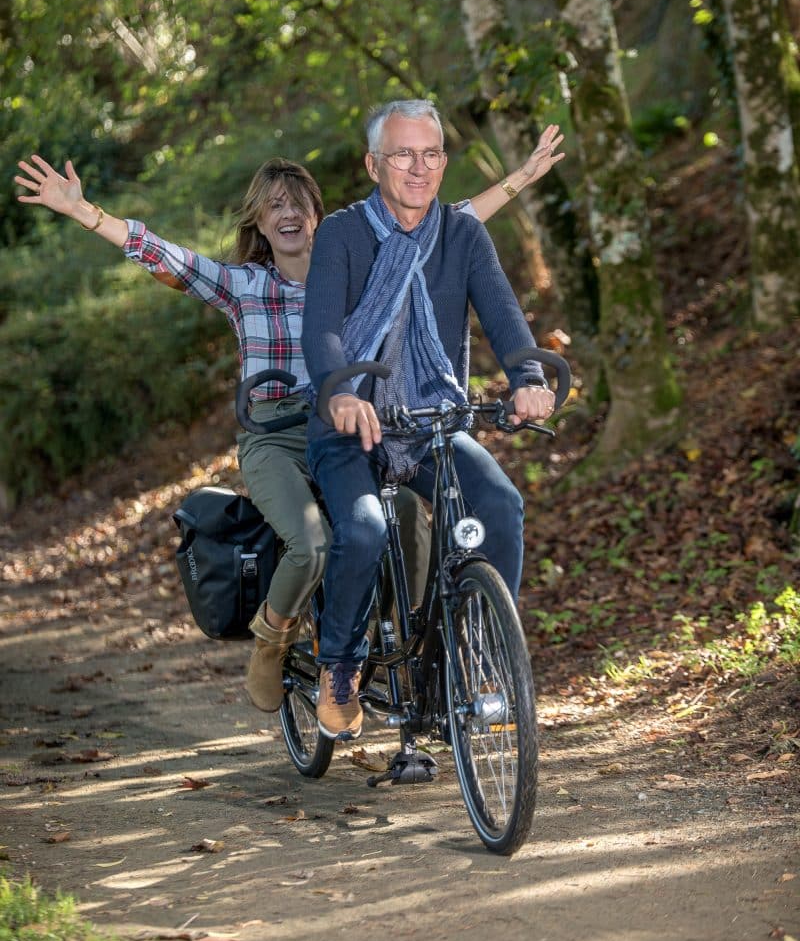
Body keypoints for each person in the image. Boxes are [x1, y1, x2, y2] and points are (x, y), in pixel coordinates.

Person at [14, 127, 563, 717]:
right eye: (274, 206)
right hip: (274, 436)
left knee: (406, 518)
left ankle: (395, 641)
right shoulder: (246, 286)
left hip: (354, 430)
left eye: (299, 203)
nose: (289, 214)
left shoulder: (359, 271)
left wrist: (520, 179)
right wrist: (85, 212)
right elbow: (167, 255)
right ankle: (272, 641)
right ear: (259, 222)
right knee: (310, 544)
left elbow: (445, 220)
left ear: (319, 216)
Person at [301, 99, 564, 740]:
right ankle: (339, 665)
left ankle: (470, 655)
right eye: (401, 155)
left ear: (443, 162)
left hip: (430, 420)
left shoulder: (462, 234)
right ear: (373, 163)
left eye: (430, 154)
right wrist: (339, 393)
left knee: (499, 505)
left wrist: (529, 380)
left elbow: (503, 315)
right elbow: (322, 329)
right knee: (362, 530)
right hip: (348, 422)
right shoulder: (340, 234)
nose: (418, 168)